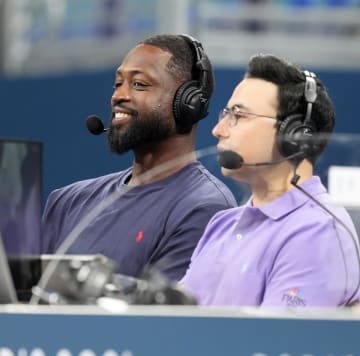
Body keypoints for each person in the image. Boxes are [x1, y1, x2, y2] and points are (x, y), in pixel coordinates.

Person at [41, 34, 237, 281]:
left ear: (188, 103)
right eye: (118, 84)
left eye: (139, 85)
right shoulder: (66, 202)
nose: (119, 95)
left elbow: (164, 314)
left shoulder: (204, 208)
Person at [180, 53, 360, 307]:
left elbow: (276, 342)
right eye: (225, 114)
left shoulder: (317, 230)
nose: (218, 130)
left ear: (295, 136)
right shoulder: (223, 223)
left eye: (238, 116)